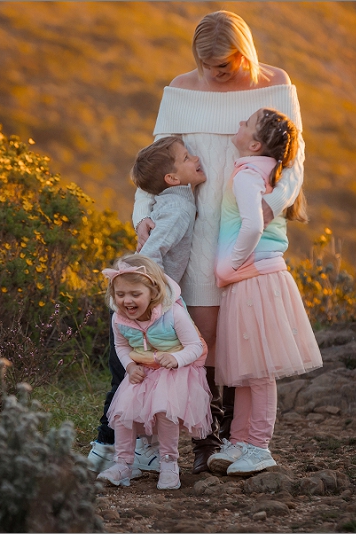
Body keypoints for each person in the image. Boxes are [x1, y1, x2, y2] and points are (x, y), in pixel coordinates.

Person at [133, 10, 306, 474]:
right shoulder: (181, 89)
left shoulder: (276, 84)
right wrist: (141, 218)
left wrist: (273, 206)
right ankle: (205, 440)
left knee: (243, 338)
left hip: (245, 231)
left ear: (244, 52)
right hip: (194, 231)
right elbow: (154, 163)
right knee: (203, 338)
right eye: (208, 66)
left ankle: (239, 439)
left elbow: (293, 158)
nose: (217, 73)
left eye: (226, 64)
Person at [211, 107, 323, 475]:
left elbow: (252, 226)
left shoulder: (247, 175)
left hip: (252, 278)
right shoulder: (265, 172)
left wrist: (231, 264)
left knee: (258, 372)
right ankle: (241, 440)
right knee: (247, 369)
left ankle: (259, 446)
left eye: (246, 123)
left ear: (255, 143)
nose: (238, 123)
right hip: (257, 279)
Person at [87, 135, 206, 476]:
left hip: (148, 306)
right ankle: (111, 446)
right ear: (172, 178)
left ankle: (138, 449)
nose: (196, 158)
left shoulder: (173, 199)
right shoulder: (179, 206)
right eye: (187, 157)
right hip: (150, 309)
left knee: (141, 377)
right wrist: (152, 292)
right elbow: (151, 255)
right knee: (130, 376)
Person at [96, 254, 211, 490]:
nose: (127, 301)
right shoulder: (120, 319)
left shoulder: (173, 314)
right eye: (120, 294)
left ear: (153, 292)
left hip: (175, 372)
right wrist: (129, 366)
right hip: (144, 370)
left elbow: (195, 346)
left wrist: (176, 359)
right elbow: (122, 346)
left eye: (135, 294)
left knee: (164, 411)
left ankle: (169, 463)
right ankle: (123, 464)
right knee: (122, 414)